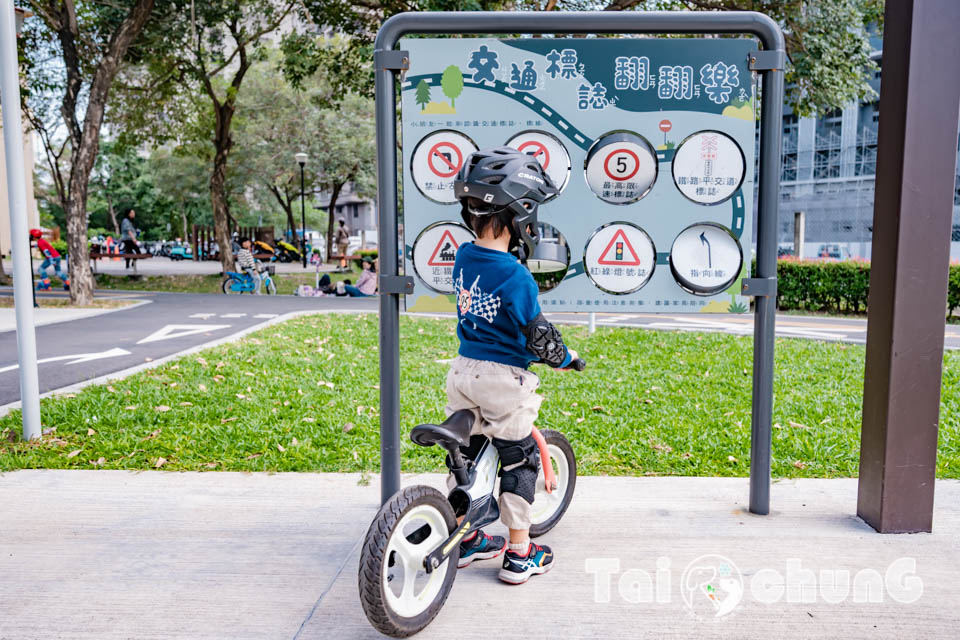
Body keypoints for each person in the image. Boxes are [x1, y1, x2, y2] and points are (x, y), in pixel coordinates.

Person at [445, 147, 578, 585]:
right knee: (519, 462)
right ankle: (520, 552)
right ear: (521, 214)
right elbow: (535, 331)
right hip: (503, 379)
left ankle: (465, 541)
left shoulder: (463, 258)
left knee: (466, 453)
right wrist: (564, 358)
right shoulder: (517, 275)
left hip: (463, 371)